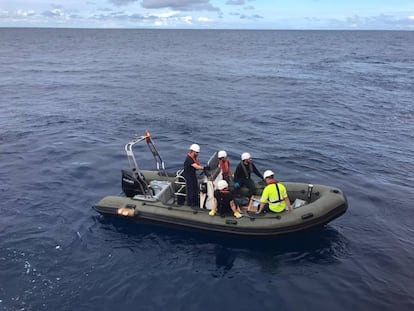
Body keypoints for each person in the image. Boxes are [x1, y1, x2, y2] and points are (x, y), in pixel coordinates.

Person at [183, 143, 208, 209]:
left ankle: (196, 203)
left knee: (195, 189)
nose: (197, 154)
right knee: (191, 190)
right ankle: (191, 205)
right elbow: (196, 167)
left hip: (192, 175)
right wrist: (204, 168)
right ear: (192, 151)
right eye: (196, 152)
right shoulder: (189, 159)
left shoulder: (193, 158)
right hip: (189, 176)